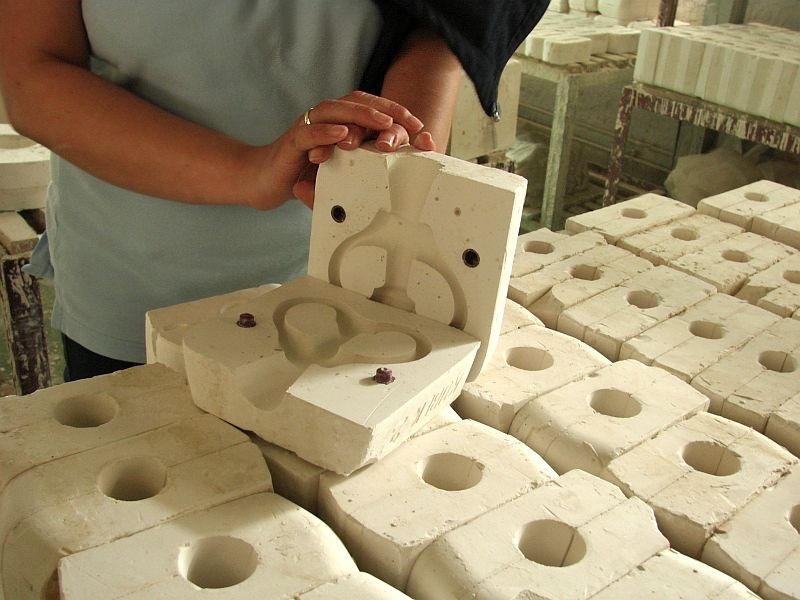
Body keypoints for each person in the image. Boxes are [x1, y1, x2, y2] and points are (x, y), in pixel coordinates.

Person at [0, 0, 546, 382]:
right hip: (139, 280)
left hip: (342, 280)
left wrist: (399, 134)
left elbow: (445, 26)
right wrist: (248, 170)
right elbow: (32, 73)